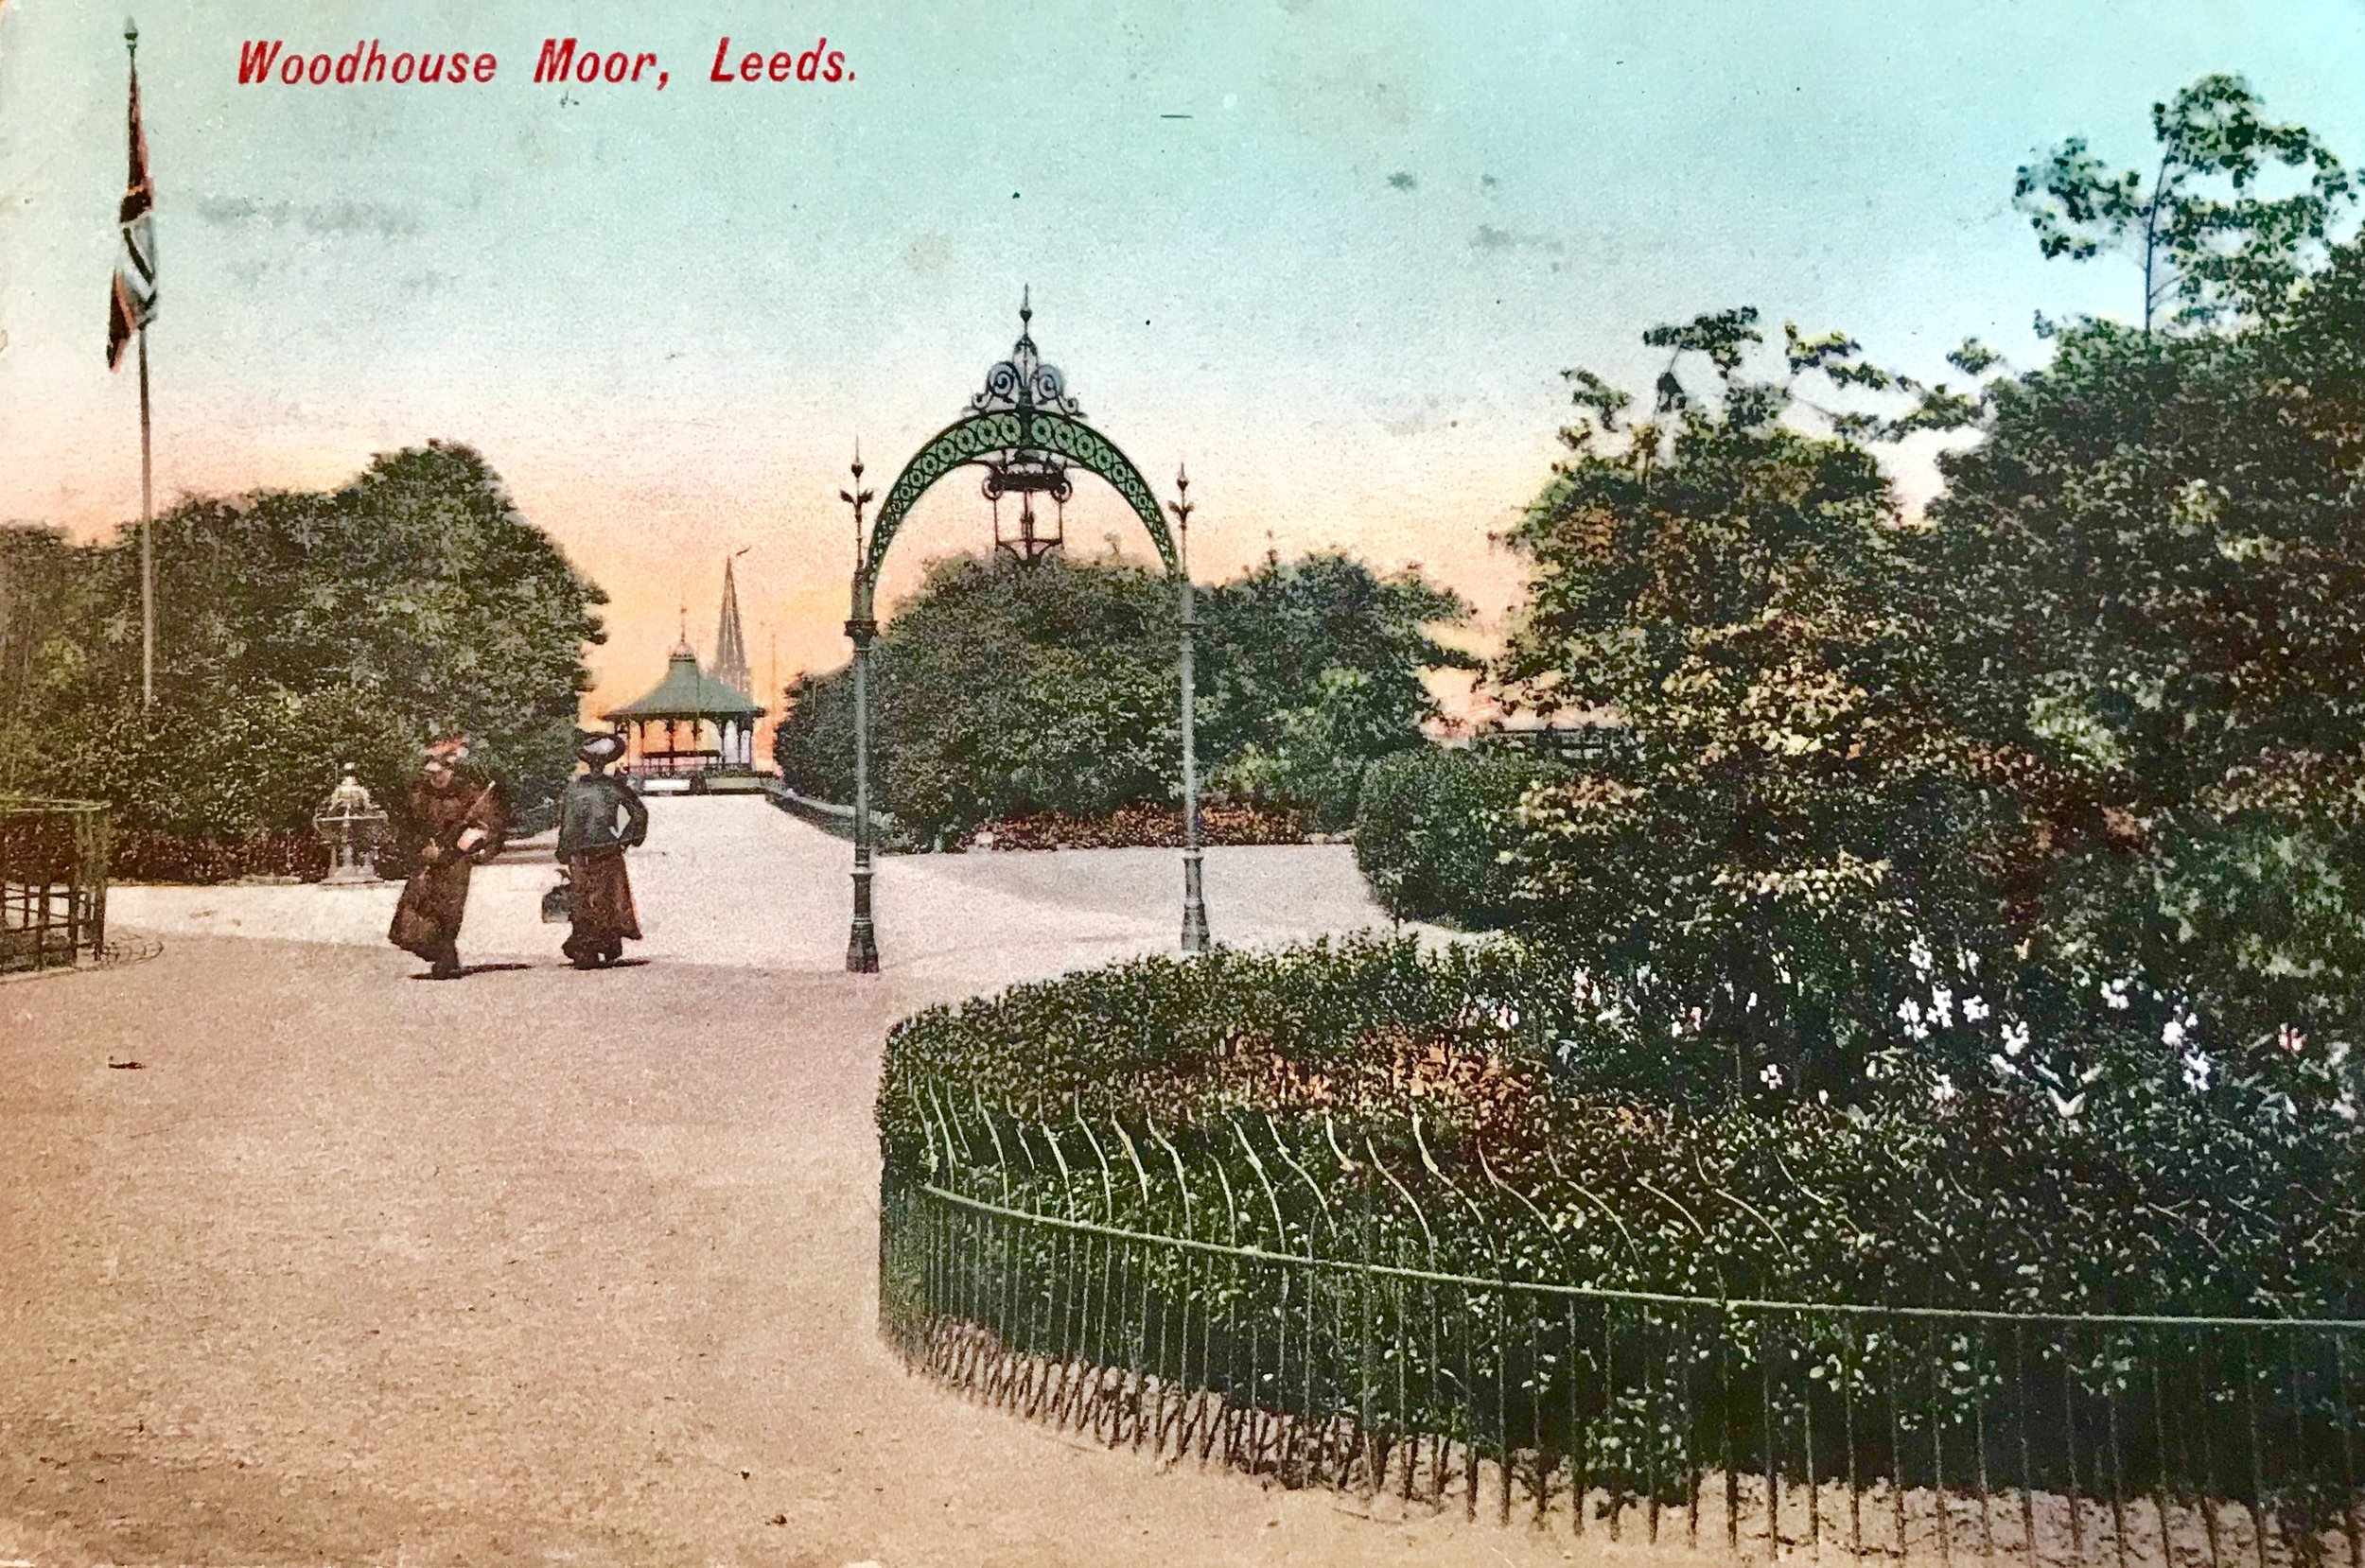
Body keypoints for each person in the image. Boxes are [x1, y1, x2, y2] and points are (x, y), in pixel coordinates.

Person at [388, 739, 507, 980]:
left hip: (455, 862)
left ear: (451, 770)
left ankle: (445, 958)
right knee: (413, 912)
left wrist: (473, 839)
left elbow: (488, 823)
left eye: (441, 772)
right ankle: (441, 955)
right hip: (426, 861)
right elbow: (407, 827)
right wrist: (421, 848)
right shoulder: (420, 795)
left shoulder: (469, 793)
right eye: (432, 773)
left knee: (447, 911)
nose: (436, 778)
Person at [556, 731, 647, 969]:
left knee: (586, 898)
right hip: (603, 847)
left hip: (584, 850)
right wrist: (627, 839)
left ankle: (590, 945)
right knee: (603, 898)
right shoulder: (613, 787)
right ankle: (598, 944)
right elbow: (639, 814)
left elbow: (567, 823)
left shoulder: (575, 789)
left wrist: (564, 849)